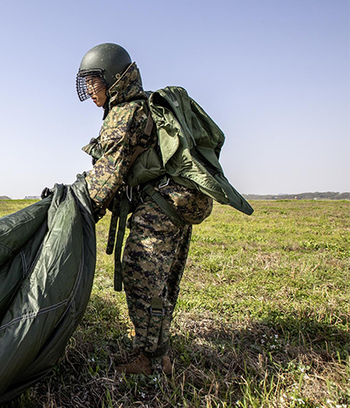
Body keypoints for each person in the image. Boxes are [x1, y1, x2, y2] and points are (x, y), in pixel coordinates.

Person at [76, 43, 213, 375]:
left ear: (113, 78)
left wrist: (74, 206)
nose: (90, 90)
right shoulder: (145, 105)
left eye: (94, 81)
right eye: (87, 83)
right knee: (162, 282)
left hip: (162, 204)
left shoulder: (125, 113)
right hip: (179, 202)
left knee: (141, 274)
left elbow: (105, 180)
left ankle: (150, 360)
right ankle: (158, 352)